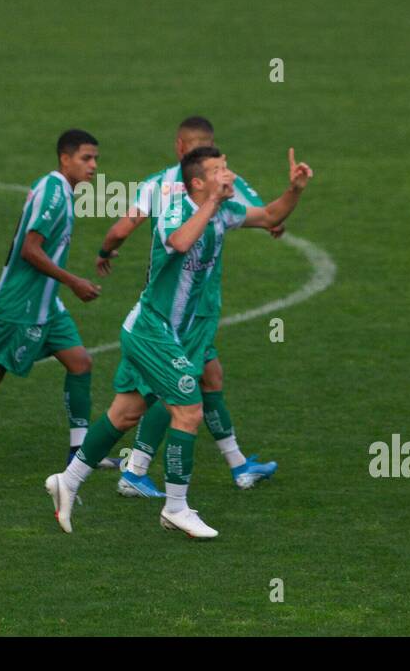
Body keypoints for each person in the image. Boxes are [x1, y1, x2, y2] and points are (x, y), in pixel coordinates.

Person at [45, 145, 314, 538]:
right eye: (220, 170)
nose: (230, 175)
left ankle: (67, 481)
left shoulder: (222, 210)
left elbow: (271, 215)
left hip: (169, 332)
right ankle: (176, 508)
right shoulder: (175, 209)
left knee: (125, 413)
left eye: (228, 166)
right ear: (198, 183)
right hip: (152, 330)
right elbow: (181, 242)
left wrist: (295, 190)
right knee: (188, 411)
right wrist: (212, 205)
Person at [97, 116, 279, 498]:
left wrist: (106, 251)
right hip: (186, 310)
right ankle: (136, 471)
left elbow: (121, 229)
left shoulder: (155, 184)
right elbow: (268, 219)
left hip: (176, 304)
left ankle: (238, 465)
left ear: (180, 147)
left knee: (208, 378)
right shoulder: (225, 181)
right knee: (174, 391)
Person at [0, 129, 121, 469]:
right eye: (86, 158)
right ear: (65, 158)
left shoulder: (59, 189)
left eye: (96, 160)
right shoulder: (54, 195)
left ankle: (79, 452)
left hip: (47, 304)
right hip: (23, 303)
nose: (93, 166)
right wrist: (73, 281)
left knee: (80, 363)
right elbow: (30, 250)